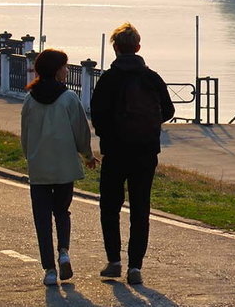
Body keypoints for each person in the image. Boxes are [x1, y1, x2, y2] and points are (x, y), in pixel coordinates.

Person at [90, 23, 174, 285]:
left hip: (115, 152)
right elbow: (169, 110)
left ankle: (114, 261)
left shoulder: (108, 79)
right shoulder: (151, 77)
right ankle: (135, 267)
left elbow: (97, 115)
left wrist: (109, 134)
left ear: (115, 48)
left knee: (110, 207)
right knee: (140, 208)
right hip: (145, 153)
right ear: (138, 47)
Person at [20, 49, 98, 286]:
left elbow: (25, 136)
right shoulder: (69, 98)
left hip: (39, 168)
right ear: (57, 70)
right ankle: (63, 251)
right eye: (64, 66)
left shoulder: (29, 99)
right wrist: (87, 155)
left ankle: (49, 270)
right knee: (62, 212)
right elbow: (80, 131)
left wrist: (30, 157)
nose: (67, 70)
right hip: (64, 167)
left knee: (42, 219)